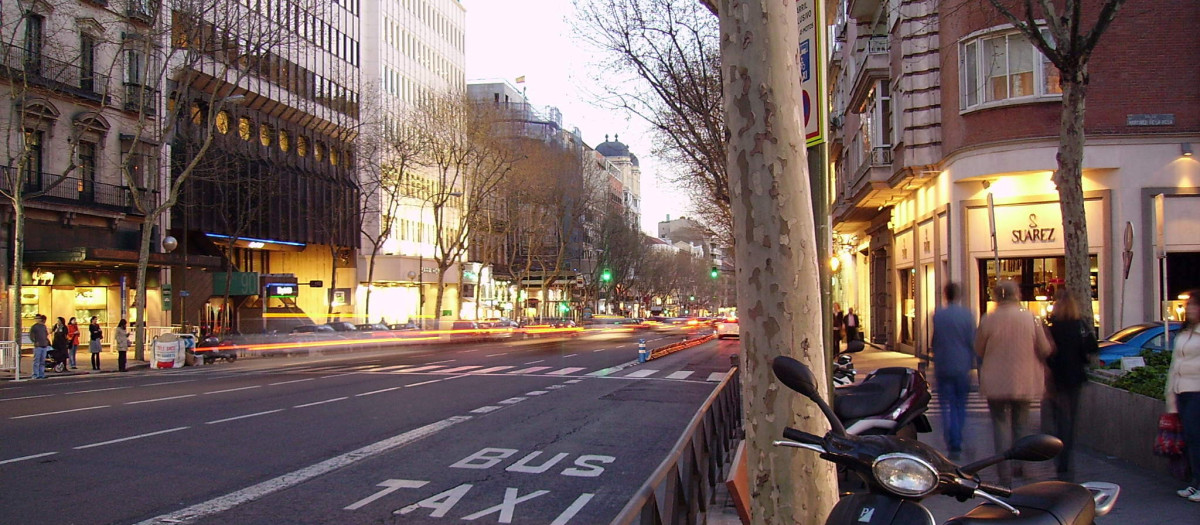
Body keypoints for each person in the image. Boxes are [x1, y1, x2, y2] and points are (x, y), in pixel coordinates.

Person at [975, 280, 1053, 485]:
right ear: (1016, 294)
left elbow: (979, 349)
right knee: (1021, 425)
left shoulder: (988, 319)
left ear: (996, 297)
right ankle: (1020, 465)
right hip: (1024, 380)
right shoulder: (1030, 319)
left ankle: (1004, 473)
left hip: (996, 381)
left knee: (1000, 426)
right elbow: (1045, 349)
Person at [1045, 291, 1099, 480]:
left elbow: (1047, 352)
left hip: (1057, 377)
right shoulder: (1080, 325)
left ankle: (1060, 458)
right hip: (1075, 377)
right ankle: (1066, 460)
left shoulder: (1054, 327)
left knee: (1059, 420)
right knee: (1070, 420)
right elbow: (1092, 347)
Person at [930, 282, 976, 458]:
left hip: (943, 364)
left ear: (945, 295)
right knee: (960, 404)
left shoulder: (939, 315)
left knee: (946, 404)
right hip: (962, 365)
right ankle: (957, 438)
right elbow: (972, 340)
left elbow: (935, 341)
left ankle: (950, 436)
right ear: (959, 295)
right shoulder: (967, 315)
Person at [1166, 290, 1200, 502]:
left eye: (1194, 306)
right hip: (1182, 390)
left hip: (1197, 389)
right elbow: (1174, 363)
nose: (1189, 309)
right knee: (1189, 438)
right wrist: (1170, 395)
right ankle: (1194, 481)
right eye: (1188, 306)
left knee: (1197, 438)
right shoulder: (1185, 332)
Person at [29, 314, 51, 379]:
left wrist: (47, 342)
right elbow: (31, 335)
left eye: (39, 318)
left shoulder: (43, 326)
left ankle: (41, 374)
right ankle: (35, 374)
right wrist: (35, 341)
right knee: (36, 361)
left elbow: (46, 334)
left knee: (42, 361)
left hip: (44, 345)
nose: (38, 319)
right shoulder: (34, 327)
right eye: (37, 318)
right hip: (38, 346)